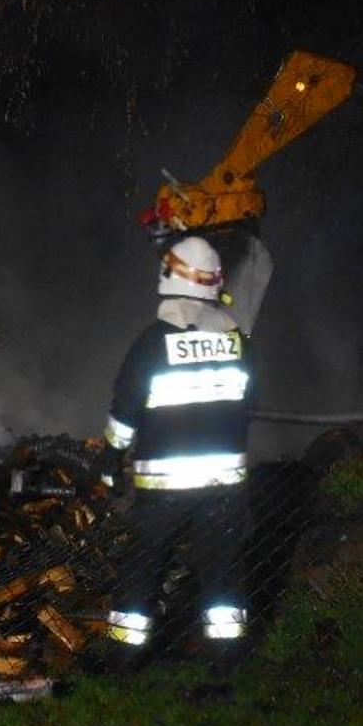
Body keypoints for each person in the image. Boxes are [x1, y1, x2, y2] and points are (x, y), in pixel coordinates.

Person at [101, 235, 254, 667]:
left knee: (143, 568)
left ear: (169, 277)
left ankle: (124, 660)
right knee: (222, 573)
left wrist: (110, 462)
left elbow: (124, 411)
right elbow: (249, 401)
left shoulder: (153, 343)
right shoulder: (236, 342)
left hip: (163, 490)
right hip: (224, 487)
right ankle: (225, 662)